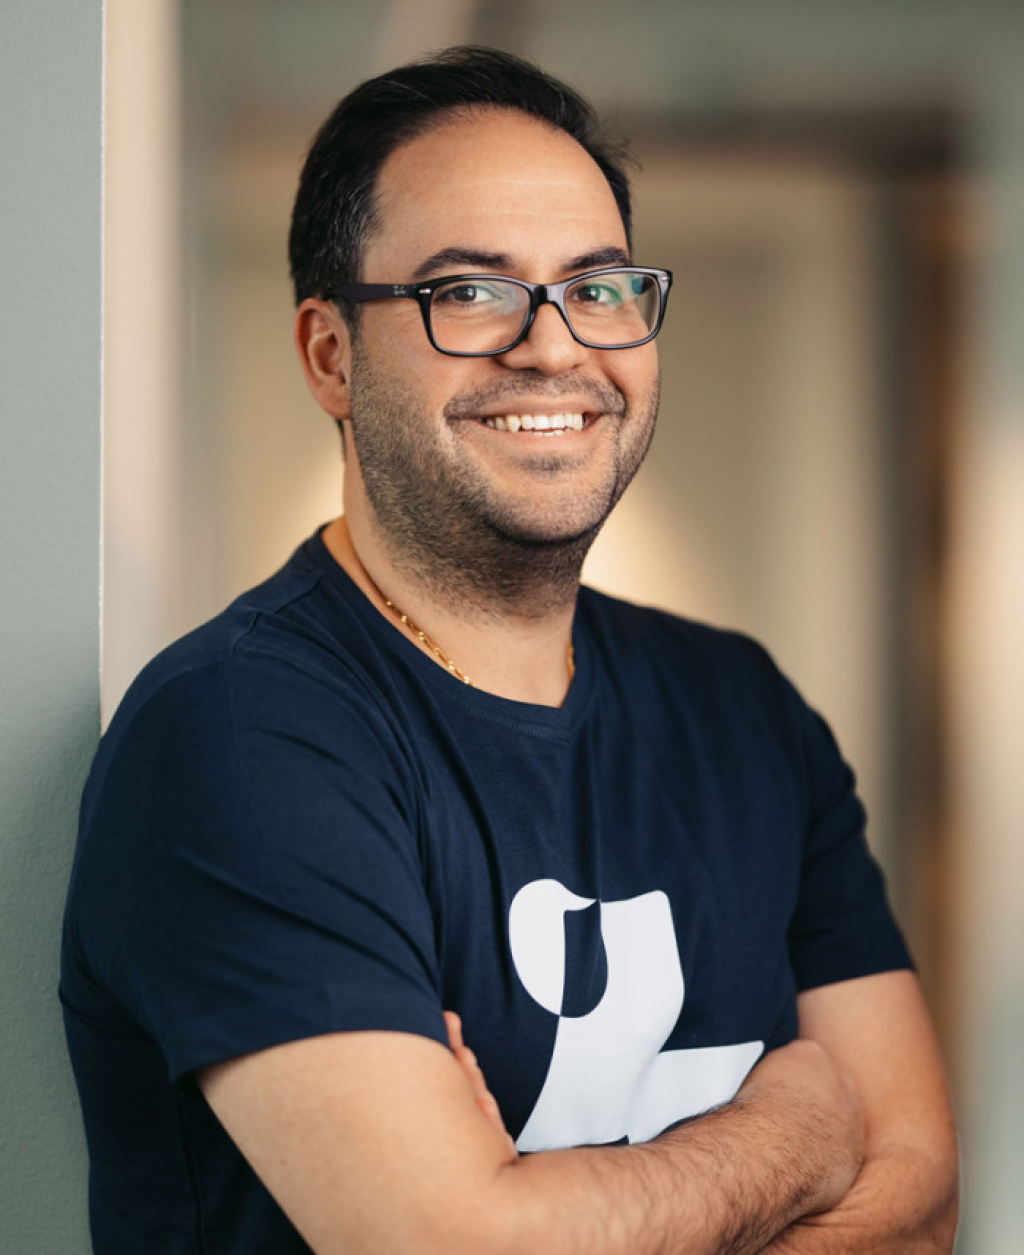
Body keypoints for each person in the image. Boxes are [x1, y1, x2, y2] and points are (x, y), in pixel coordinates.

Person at [61, 45, 958, 1254]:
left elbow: (916, 1206)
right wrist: (794, 1133)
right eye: (471, 291)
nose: (553, 347)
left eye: (598, 288)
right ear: (330, 355)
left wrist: (540, 1208)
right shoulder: (240, 733)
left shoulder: (743, 708)